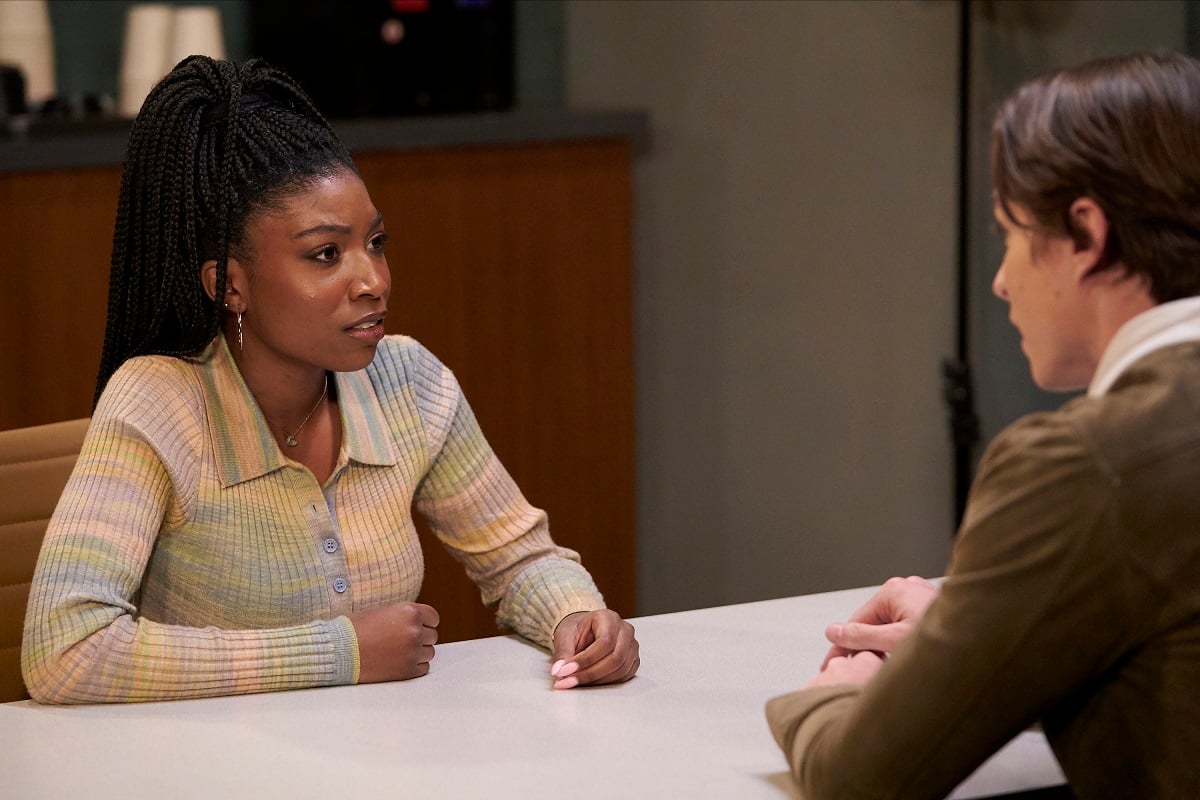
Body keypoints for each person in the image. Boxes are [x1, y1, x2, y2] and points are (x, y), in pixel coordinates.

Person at [21, 56, 639, 704]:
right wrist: (338, 651)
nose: (374, 280)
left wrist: (577, 617)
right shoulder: (159, 404)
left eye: (376, 241)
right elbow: (67, 649)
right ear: (229, 284)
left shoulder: (410, 383)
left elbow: (520, 560)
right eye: (325, 254)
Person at [766, 51, 1200, 799]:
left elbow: (857, 779)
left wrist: (843, 685)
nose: (1001, 279)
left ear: (1086, 234)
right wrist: (989, 635)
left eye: (1008, 231)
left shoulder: (1081, 465)